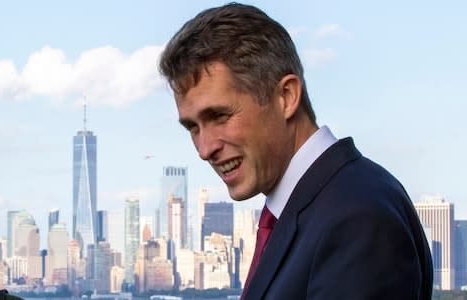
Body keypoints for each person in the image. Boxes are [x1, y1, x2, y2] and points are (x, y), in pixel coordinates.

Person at [159, 3, 432, 300]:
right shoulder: (317, 208)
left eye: (220, 116)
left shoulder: (357, 218)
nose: (204, 148)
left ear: (286, 97)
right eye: (192, 128)